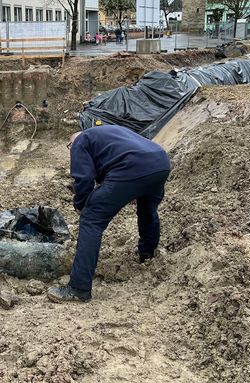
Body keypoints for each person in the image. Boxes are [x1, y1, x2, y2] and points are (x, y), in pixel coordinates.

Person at [47, 126, 171, 303]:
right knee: (147, 210)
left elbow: (84, 178)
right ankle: (147, 255)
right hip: (160, 163)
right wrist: (131, 188)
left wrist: (81, 204)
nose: (72, 150)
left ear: (72, 143)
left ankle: (78, 288)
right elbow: (114, 165)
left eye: (70, 146)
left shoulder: (80, 141)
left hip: (132, 167)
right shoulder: (110, 134)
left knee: (91, 219)